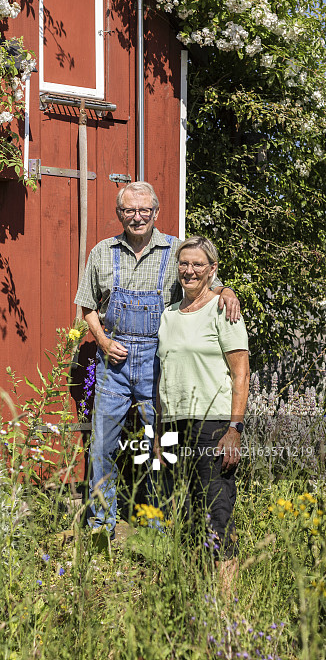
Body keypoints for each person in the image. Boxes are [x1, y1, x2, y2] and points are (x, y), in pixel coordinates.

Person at [74, 182, 240, 539]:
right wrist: (102, 340)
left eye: (144, 210)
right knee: (102, 445)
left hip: (156, 362)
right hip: (113, 363)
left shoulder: (177, 250)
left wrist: (228, 291)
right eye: (129, 211)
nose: (137, 217)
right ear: (119, 214)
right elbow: (87, 306)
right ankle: (101, 524)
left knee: (157, 448)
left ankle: (155, 525)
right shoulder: (102, 252)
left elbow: (208, 284)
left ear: (156, 212)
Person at [155, 235, 249, 594]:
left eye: (197, 264)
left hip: (213, 426)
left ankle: (226, 609)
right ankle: (198, 591)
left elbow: (241, 372)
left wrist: (234, 429)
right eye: (183, 263)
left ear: (212, 270)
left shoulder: (224, 310)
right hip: (175, 426)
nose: (189, 270)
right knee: (190, 515)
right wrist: (160, 439)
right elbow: (164, 381)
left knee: (217, 513)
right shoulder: (169, 316)